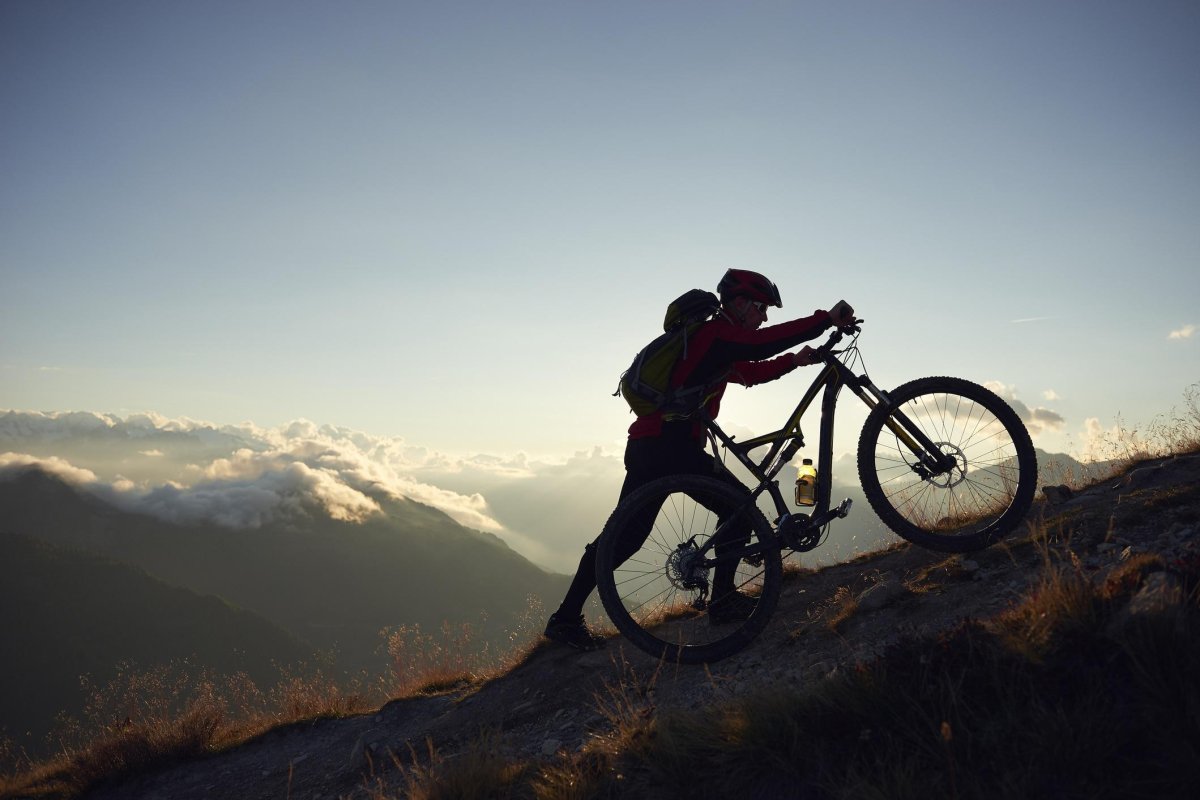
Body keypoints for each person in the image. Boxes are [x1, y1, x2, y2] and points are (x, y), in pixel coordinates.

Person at [544, 269, 856, 650]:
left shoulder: (713, 342)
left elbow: (751, 372)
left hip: (655, 445)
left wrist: (797, 360)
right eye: (760, 308)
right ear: (739, 304)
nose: (764, 317)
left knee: (625, 537)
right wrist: (824, 320)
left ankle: (565, 619)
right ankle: (722, 602)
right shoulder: (716, 334)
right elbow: (761, 346)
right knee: (737, 511)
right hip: (670, 447)